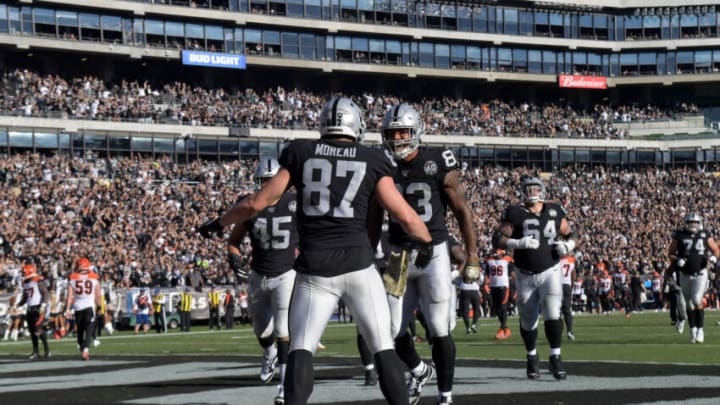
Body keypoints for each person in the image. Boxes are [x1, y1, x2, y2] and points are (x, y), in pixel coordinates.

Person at [198, 96, 431, 405]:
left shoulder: (301, 152)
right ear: (357, 125)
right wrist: (426, 241)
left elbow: (258, 202)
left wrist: (219, 222)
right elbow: (403, 214)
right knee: (383, 346)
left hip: (314, 271)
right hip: (359, 266)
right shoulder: (372, 158)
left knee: (301, 348)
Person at [380, 103, 480, 405]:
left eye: (403, 131)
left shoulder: (438, 160)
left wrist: (472, 254)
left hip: (433, 253)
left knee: (438, 327)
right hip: (398, 256)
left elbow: (461, 211)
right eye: (392, 132)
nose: (397, 138)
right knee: (389, 330)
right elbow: (373, 214)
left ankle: (445, 394)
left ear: (416, 131)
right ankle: (419, 369)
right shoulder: (381, 164)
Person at [224, 157, 299, 405]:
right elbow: (233, 242)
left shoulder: (295, 203)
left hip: (286, 274)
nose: (268, 186)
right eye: (264, 182)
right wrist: (235, 261)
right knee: (261, 329)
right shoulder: (249, 205)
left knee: (283, 330)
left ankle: (283, 388)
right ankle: (269, 354)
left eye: (271, 181)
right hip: (258, 274)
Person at [492, 175, 578, 380]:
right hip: (524, 273)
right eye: (528, 189)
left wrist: (569, 246)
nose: (532, 193)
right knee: (528, 318)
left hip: (551, 270)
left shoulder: (555, 210)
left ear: (542, 191)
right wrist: (517, 243)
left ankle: (555, 357)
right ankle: (531, 357)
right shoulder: (515, 212)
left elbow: (571, 233)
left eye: (535, 189)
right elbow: (498, 239)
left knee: (552, 313)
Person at [666, 212, 720, 344]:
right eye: (690, 223)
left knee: (696, 299)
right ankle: (693, 330)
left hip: (701, 273)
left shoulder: (705, 234)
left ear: (699, 223)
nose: (693, 225)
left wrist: (714, 257)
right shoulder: (679, 235)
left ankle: (700, 329)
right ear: (686, 223)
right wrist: (678, 259)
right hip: (684, 273)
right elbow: (670, 253)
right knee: (689, 303)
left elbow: (716, 249)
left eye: (695, 222)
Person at [64, 257, 102, 360]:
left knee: (80, 330)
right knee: (89, 328)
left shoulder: (72, 278)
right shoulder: (94, 278)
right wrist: (100, 307)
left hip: (77, 307)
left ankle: (82, 349)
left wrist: (67, 309)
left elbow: (69, 296)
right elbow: (98, 296)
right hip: (89, 306)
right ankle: (85, 350)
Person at [19, 263, 52, 359]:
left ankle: (47, 350)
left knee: (39, 330)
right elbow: (25, 297)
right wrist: (18, 304)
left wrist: (44, 305)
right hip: (30, 308)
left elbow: (45, 293)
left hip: (38, 308)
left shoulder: (38, 280)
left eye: (24, 272)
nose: (23, 274)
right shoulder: (25, 283)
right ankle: (35, 352)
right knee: (32, 331)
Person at [484, 249, 515, 340]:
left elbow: (513, 274)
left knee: (503, 307)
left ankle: (502, 329)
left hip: (504, 287)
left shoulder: (507, 260)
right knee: (497, 309)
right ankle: (505, 329)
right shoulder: (489, 261)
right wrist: (485, 285)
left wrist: (515, 287)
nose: (496, 254)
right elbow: (487, 274)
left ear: (502, 253)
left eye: (497, 253)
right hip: (493, 287)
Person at [559, 254, 576, 340]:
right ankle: (569, 331)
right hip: (567, 286)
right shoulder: (571, 260)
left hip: (557, 286)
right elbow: (574, 276)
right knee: (567, 310)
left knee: (557, 310)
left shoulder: (556, 260)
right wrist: (571, 286)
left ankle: (560, 330)